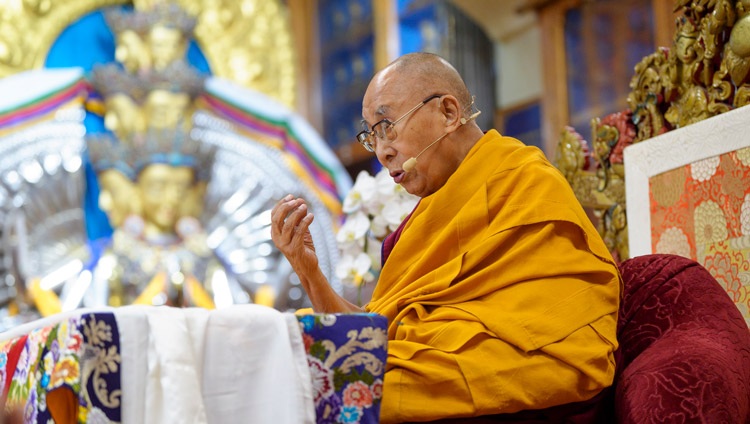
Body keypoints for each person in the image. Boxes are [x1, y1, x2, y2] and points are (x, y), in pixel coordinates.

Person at [271, 52, 621, 423]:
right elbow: (375, 336)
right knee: (295, 354)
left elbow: (562, 344)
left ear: (450, 113)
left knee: (333, 381)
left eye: (388, 125)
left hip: (504, 374)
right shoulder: (418, 223)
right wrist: (308, 270)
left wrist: (392, 364)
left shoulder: (525, 182)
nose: (383, 151)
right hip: (430, 371)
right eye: (372, 136)